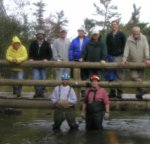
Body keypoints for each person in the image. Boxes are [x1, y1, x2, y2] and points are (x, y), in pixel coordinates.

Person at [121, 26, 150, 99]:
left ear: (139, 31)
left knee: (141, 78)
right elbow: (126, 49)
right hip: (133, 62)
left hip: (142, 62)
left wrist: (147, 58)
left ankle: (140, 94)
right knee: (134, 77)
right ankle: (143, 89)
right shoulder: (129, 39)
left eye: (137, 31)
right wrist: (124, 58)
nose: (136, 33)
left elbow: (146, 48)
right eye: (134, 31)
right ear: (132, 32)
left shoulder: (143, 38)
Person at [29, 29, 53, 98]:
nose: (40, 35)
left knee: (43, 79)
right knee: (35, 78)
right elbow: (30, 53)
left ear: (43, 36)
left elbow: (50, 54)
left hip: (44, 65)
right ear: (37, 36)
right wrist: (31, 58)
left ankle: (41, 92)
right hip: (35, 64)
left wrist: (47, 59)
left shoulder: (47, 43)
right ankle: (37, 92)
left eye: (41, 34)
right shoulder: (33, 43)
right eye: (39, 34)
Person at [106, 20, 126, 98]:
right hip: (111, 56)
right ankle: (112, 91)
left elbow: (125, 46)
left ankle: (120, 91)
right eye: (113, 24)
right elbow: (107, 46)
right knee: (111, 74)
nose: (114, 26)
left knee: (119, 74)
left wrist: (124, 57)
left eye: (115, 24)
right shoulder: (109, 35)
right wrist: (107, 56)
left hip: (119, 56)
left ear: (118, 25)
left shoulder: (121, 34)